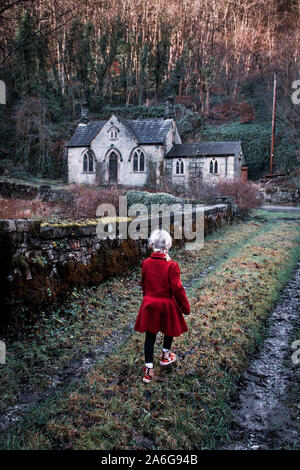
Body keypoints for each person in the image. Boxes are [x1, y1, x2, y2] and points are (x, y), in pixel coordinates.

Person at [134, 228, 190, 383]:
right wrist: (185, 307)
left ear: (152, 245)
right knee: (169, 328)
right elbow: (177, 289)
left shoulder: (145, 263)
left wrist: (146, 299)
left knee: (150, 337)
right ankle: (165, 355)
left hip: (150, 303)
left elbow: (144, 284)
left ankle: (149, 371)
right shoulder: (172, 265)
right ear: (168, 245)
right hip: (166, 303)